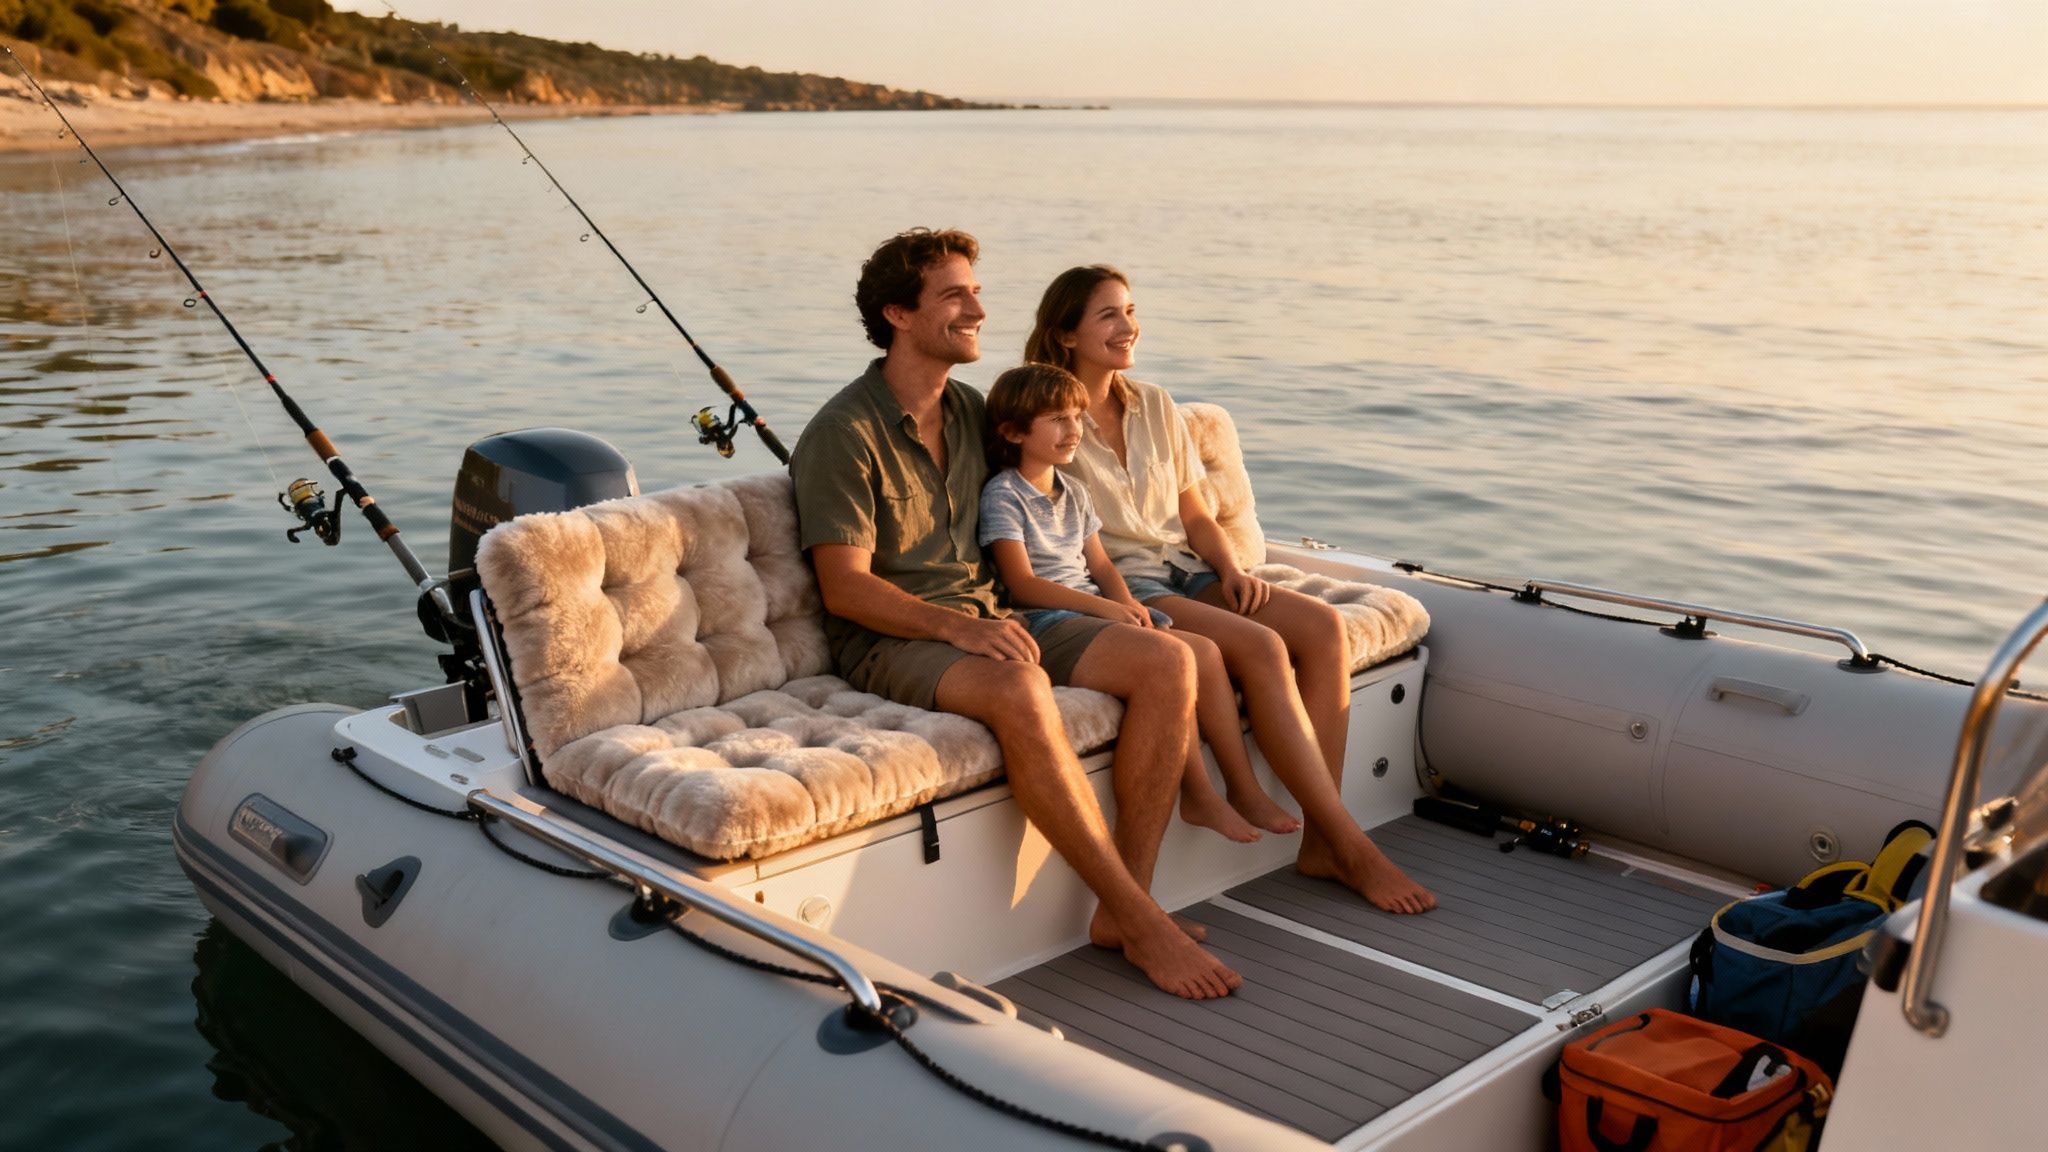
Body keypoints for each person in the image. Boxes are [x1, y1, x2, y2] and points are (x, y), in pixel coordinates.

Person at [788, 229, 1242, 998]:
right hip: (895, 637)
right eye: (955, 295)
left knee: (1170, 659)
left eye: (976, 290)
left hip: (998, 615)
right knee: (1022, 690)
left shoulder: (972, 410)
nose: (979, 309)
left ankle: (1122, 906)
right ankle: (1144, 921)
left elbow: (1045, 489)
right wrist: (957, 627)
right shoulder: (844, 433)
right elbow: (845, 588)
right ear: (899, 314)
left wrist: (1118, 584)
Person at [1027, 264, 1437, 915]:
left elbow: (1195, 514)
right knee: (1263, 647)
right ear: (1065, 333)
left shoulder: (1155, 405)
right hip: (1125, 584)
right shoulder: (1046, 420)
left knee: (1323, 629)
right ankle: (1346, 841)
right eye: (1108, 314)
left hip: (1189, 566)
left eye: (1130, 310)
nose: (1128, 325)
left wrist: (1234, 569)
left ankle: (1324, 839)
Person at [978, 362, 1299, 846]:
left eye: (1076, 418)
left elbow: (1102, 566)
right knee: (1173, 661)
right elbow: (1021, 583)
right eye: (1057, 420)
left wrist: (1129, 605)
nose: (1074, 431)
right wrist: (1107, 611)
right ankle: (1199, 794)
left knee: (1204, 653)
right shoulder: (1005, 495)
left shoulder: (1075, 491)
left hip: (1094, 607)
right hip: (1048, 617)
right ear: (1013, 431)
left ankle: (1242, 786)